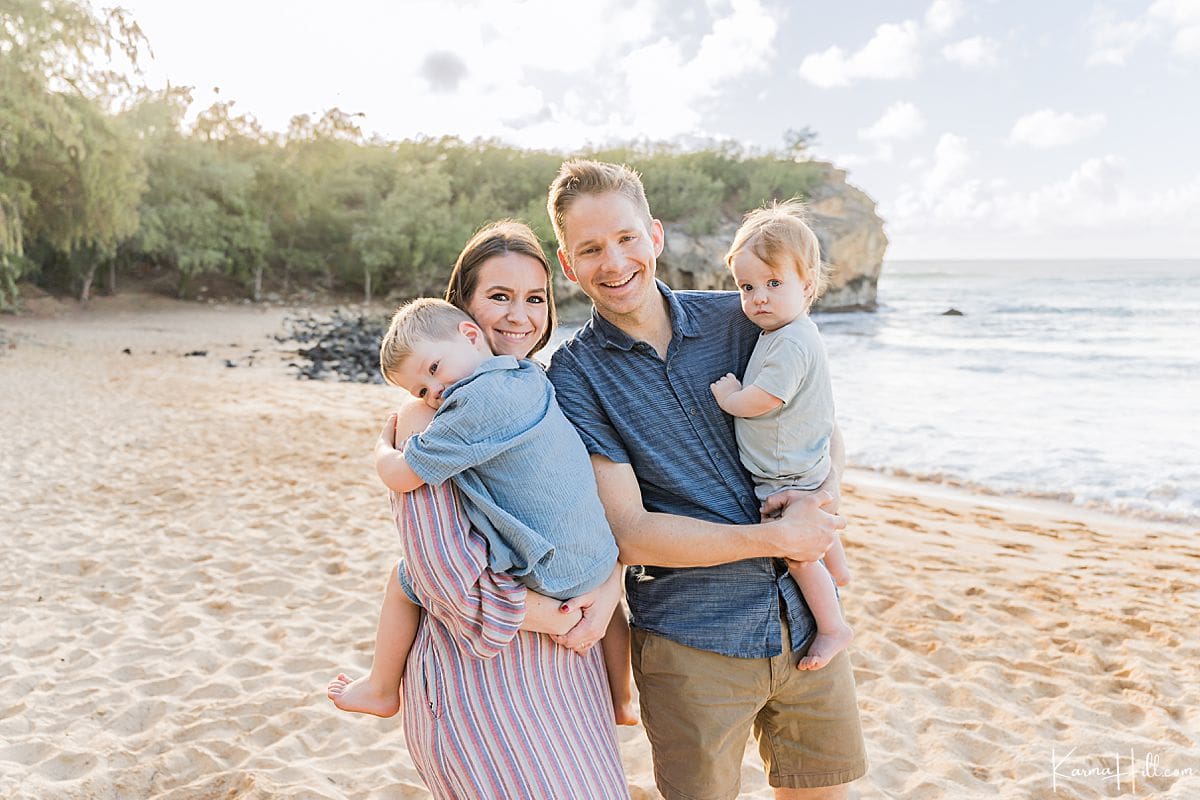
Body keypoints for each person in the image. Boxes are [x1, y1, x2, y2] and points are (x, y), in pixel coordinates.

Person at [545, 161, 867, 800]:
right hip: (693, 646)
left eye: (627, 238)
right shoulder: (574, 378)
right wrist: (780, 538)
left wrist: (819, 501)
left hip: (806, 626)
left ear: (655, 235)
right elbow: (631, 534)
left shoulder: (745, 315)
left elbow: (820, 421)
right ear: (567, 263)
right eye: (590, 248)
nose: (614, 261)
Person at [329, 220, 630, 799]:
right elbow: (444, 574)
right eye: (500, 297)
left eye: (535, 299)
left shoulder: (537, 383)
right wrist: (553, 614)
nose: (521, 316)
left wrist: (609, 586)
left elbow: (584, 506)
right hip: (485, 682)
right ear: (465, 311)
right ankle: (381, 685)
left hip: (566, 671)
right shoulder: (430, 419)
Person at [709, 200, 853, 672]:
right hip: (803, 461)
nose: (759, 298)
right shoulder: (789, 331)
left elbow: (768, 397)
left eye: (774, 284)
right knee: (818, 513)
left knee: (797, 552)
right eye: (747, 287)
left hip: (784, 471)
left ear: (807, 285)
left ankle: (833, 627)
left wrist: (731, 398)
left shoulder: (791, 339)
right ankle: (841, 568)